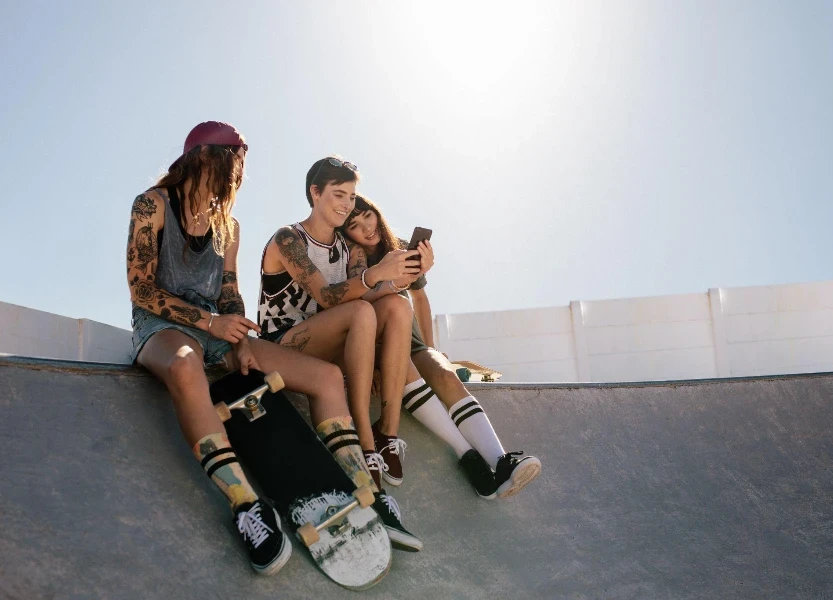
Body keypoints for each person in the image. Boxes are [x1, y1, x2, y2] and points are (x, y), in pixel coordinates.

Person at [126, 123, 393, 574]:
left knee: (326, 378)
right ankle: (247, 507)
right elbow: (141, 290)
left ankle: (364, 487)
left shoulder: (227, 225)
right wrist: (211, 322)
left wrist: (241, 337)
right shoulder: (151, 205)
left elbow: (229, 290)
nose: (239, 174)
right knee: (186, 366)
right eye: (236, 162)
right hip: (162, 324)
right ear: (207, 158)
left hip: (221, 329)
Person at [257, 156, 422, 550]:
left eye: (351, 196)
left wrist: (408, 275)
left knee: (398, 306)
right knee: (363, 310)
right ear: (315, 193)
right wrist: (374, 278)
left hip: (333, 341)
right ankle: (367, 449)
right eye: (338, 195)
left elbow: (372, 291)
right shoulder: (289, 239)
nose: (347, 205)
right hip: (284, 344)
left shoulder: (349, 250)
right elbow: (329, 297)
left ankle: (387, 436)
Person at [340, 193, 542, 499]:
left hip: (413, 342)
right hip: (378, 343)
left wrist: (432, 349)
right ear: (346, 233)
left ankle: (500, 462)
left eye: (367, 215)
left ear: (375, 212)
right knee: (405, 367)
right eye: (354, 225)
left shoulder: (399, 245)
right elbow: (353, 304)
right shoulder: (349, 256)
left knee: (443, 373)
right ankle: (468, 455)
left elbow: (419, 299)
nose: (366, 228)